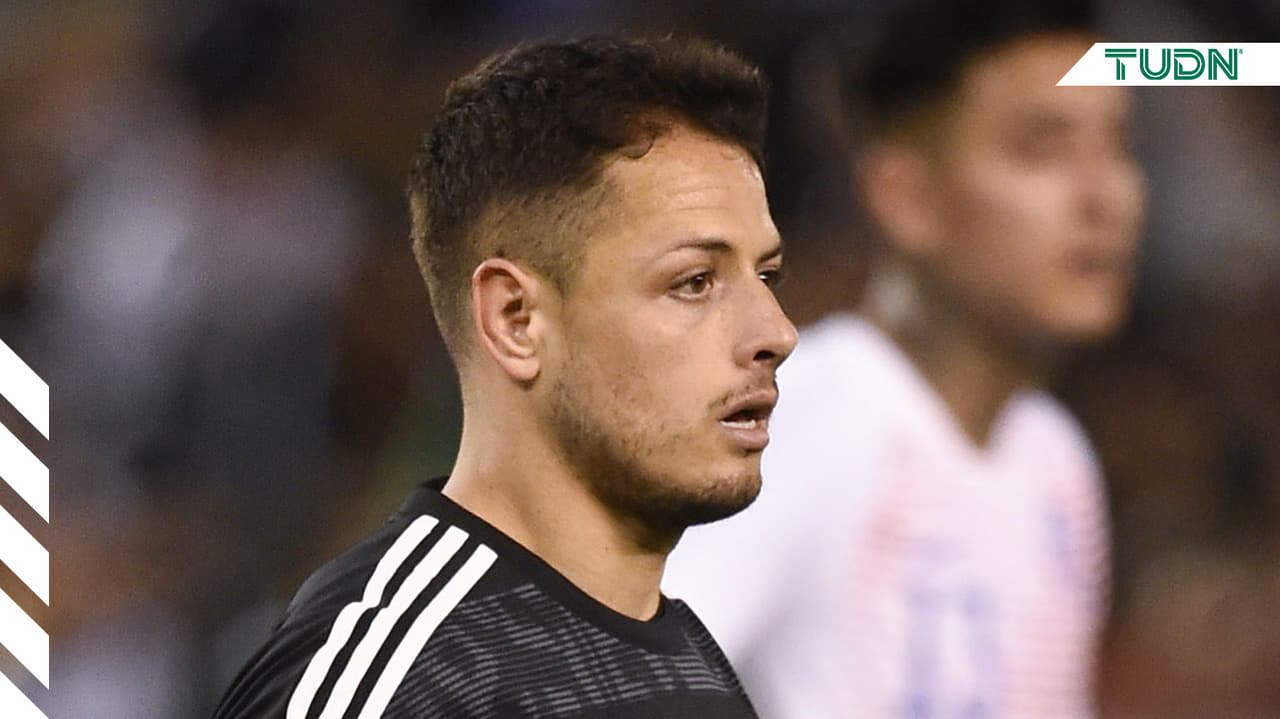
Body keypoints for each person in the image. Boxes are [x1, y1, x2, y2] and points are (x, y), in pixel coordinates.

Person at [213, 35, 796, 719]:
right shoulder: (406, 679)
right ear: (516, 320)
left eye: (766, 276)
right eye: (694, 281)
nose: (777, 333)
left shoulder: (696, 673)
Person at [664, 2, 1147, 717]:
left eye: (1116, 146)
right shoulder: (798, 421)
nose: (1104, 195)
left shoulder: (1056, 460)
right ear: (906, 196)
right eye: (1041, 151)